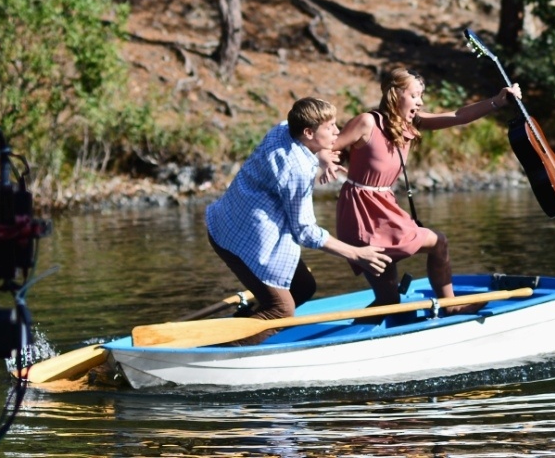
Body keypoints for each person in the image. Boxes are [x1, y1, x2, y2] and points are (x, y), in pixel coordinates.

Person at [331, 67, 521, 313]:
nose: (419, 102)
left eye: (421, 96)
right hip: (362, 213)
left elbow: (458, 116)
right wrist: (327, 161)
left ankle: (347, 342)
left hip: (384, 207)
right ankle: (450, 306)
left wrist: (497, 101)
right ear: (395, 94)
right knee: (437, 242)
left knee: (389, 302)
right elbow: (325, 146)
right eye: (414, 95)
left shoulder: (409, 124)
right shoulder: (368, 122)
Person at [205, 97, 392, 344]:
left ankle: (246, 323)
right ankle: (225, 352)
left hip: (228, 221)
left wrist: (322, 156)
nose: (338, 131)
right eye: (330, 127)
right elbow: (305, 232)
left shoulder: (283, 128)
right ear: (308, 132)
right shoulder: (297, 171)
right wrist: (356, 254)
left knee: (303, 286)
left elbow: (305, 144)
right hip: (241, 240)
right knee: (282, 310)